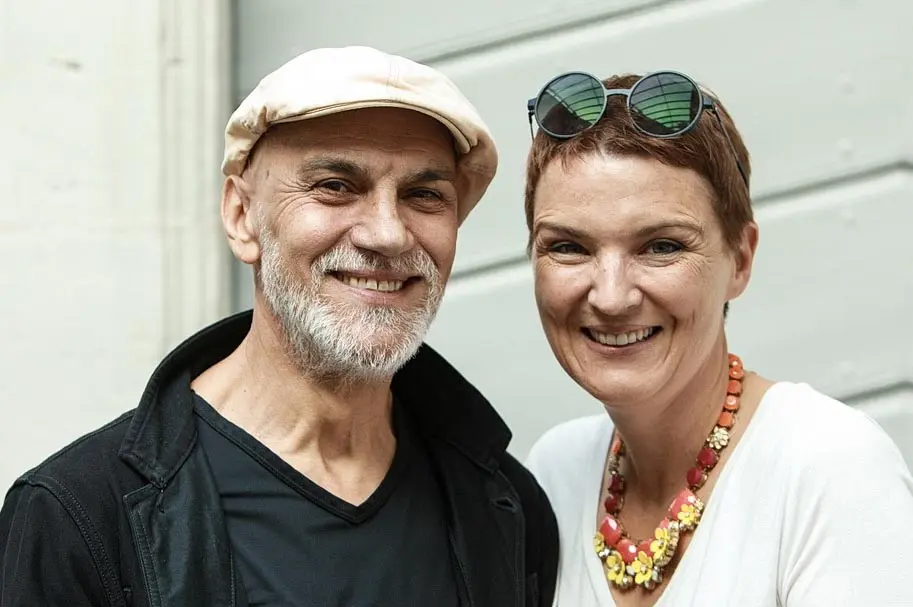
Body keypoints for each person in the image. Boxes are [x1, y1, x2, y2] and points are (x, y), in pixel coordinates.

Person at [0, 46, 559, 606]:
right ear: (242, 217)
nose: (388, 234)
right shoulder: (78, 518)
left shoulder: (505, 504)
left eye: (423, 195)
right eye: (336, 185)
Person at [521, 70, 913, 606]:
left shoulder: (825, 467)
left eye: (661, 247)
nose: (611, 297)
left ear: (741, 259)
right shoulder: (554, 473)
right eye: (568, 247)